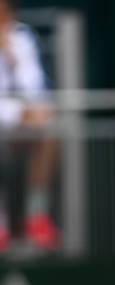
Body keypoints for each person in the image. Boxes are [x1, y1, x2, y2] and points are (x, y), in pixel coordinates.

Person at [0, 0, 59, 252]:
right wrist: (15, 114)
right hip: (7, 119)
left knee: (49, 135)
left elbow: (33, 85)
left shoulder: (22, 36)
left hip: (22, 120)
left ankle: (37, 217)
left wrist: (11, 55)